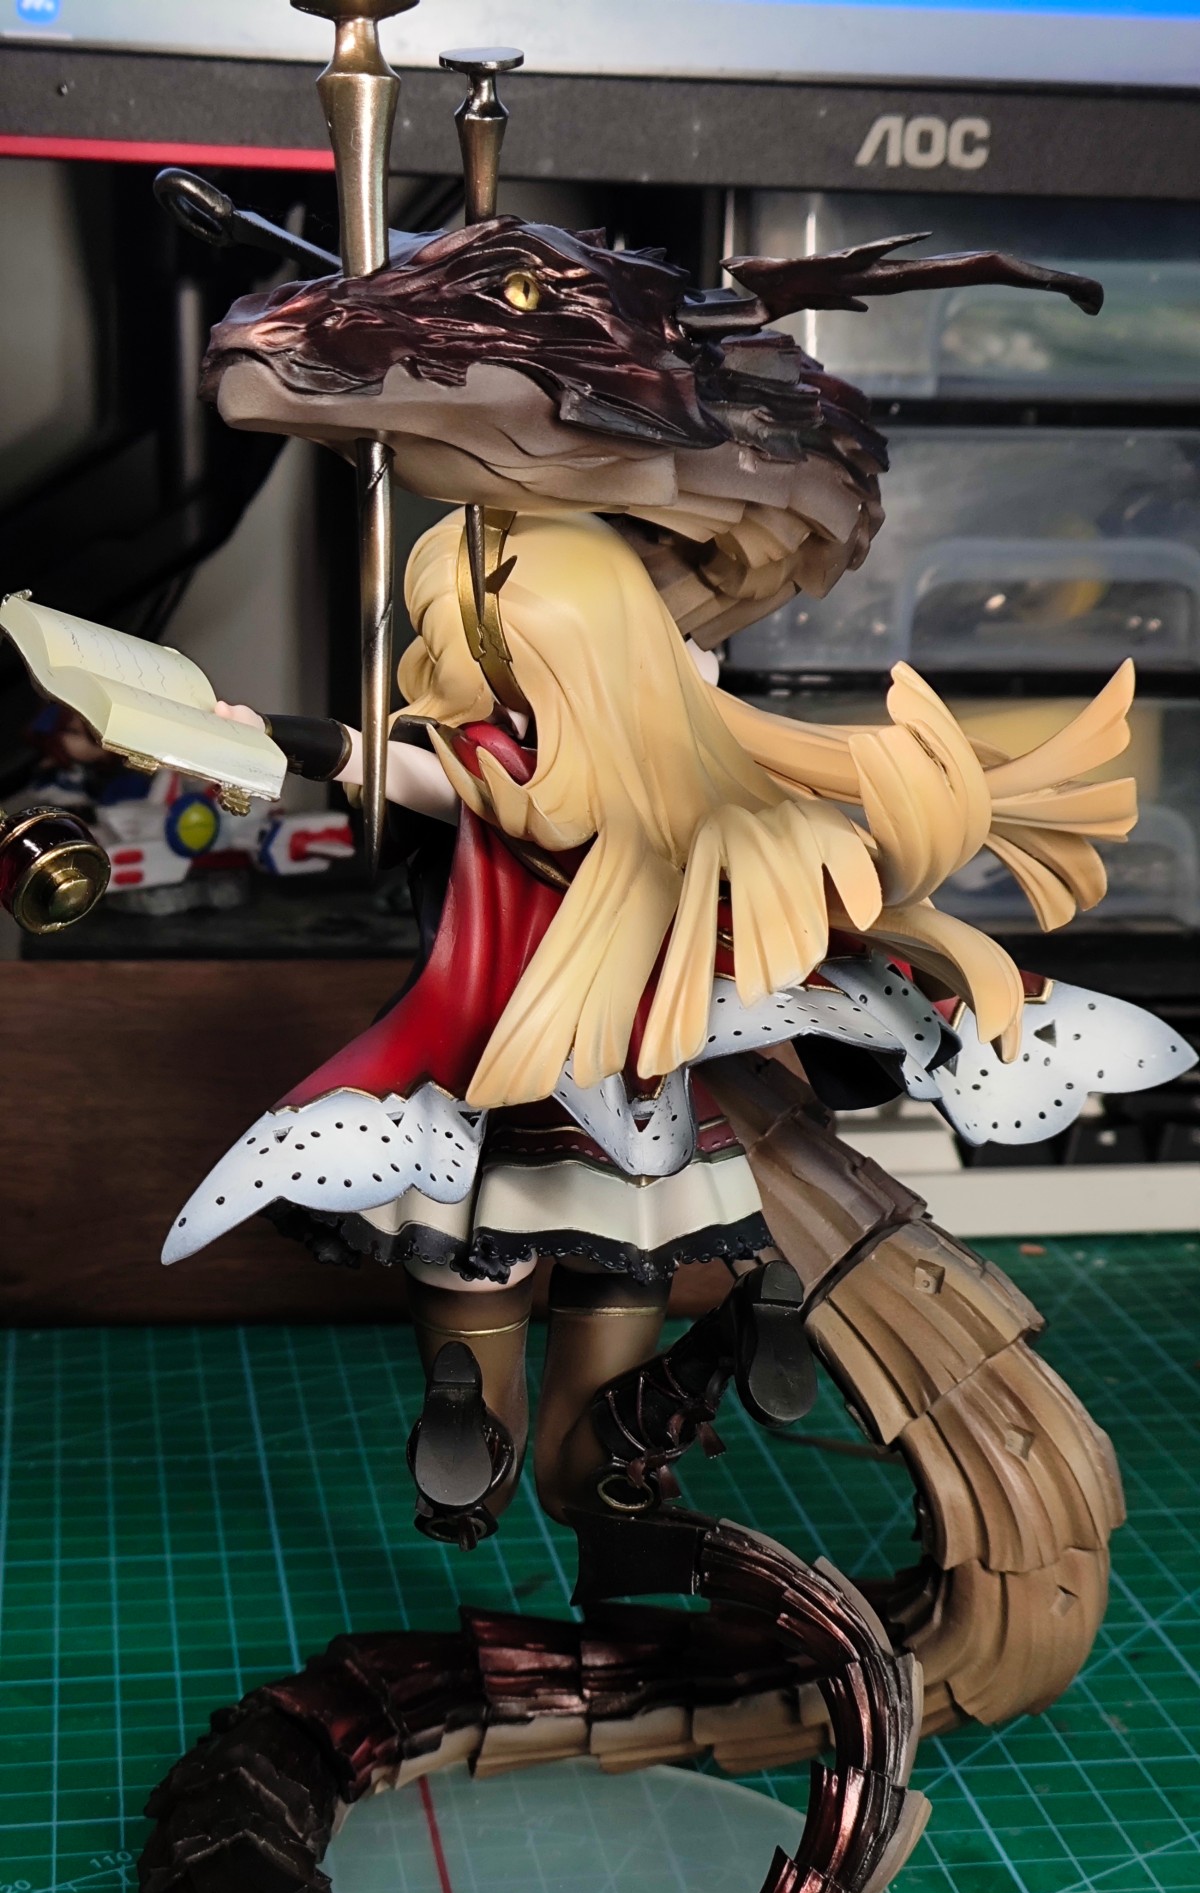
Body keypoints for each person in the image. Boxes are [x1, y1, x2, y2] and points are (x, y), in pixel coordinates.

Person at [164, 506, 1190, 1546]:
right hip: (644, 1124)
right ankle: (707, 1355)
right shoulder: (688, 754)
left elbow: (373, 760)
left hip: (510, 1104)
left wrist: (265, 737)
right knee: (597, 1389)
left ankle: (463, 1403)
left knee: (477, 1290)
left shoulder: (508, 766)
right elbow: (377, 757)